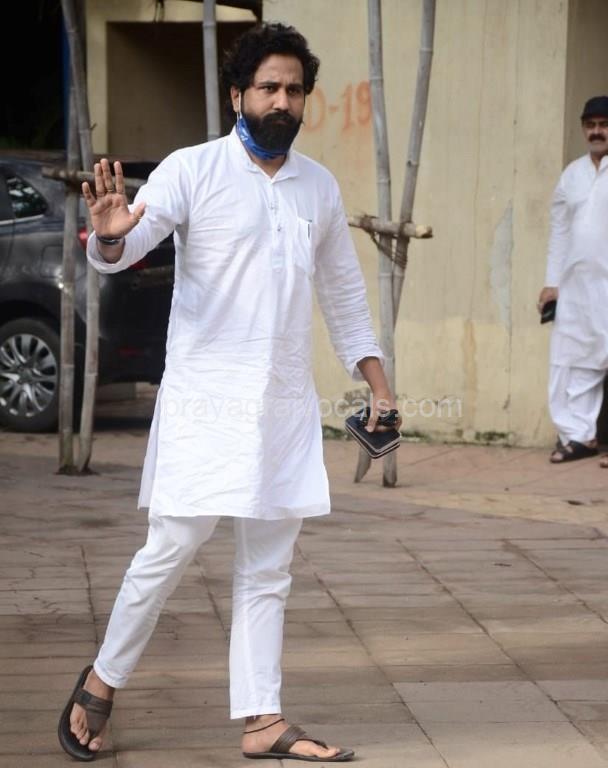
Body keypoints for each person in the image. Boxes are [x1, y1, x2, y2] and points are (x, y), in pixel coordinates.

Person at [58, 22, 400, 763]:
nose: (282, 101)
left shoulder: (318, 186)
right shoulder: (193, 169)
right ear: (238, 94)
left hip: (282, 405)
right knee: (172, 547)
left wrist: (378, 385)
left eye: (294, 90)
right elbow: (126, 246)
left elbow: (343, 294)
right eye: (268, 87)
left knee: (269, 566)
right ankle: (103, 678)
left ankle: (262, 720)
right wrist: (111, 236)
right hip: (204, 402)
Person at [538, 95, 608, 466]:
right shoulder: (573, 174)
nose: (597, 131)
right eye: (591, 125)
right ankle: (581, 436)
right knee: (575, 360)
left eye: (604, 125)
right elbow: (560, 231)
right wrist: (553, 283)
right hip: (577, 286)